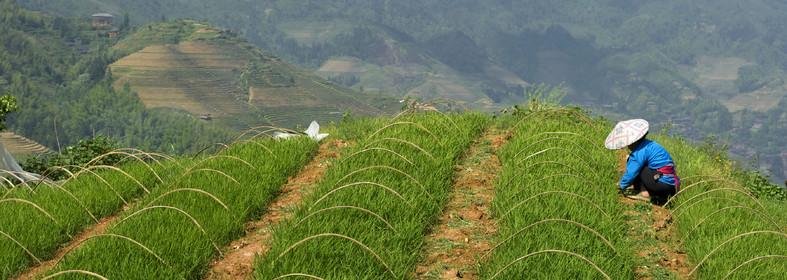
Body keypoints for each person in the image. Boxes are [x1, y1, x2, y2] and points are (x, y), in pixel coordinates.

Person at [604, 119, 679, 205]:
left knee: (638, 167)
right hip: (672, 186)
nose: (628, 146)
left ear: (634, 142)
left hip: (660, 184)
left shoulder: (638, 153)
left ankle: (645, 194)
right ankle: (655, 194)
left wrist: (620, 186)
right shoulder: (651, 144)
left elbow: (631, 174)